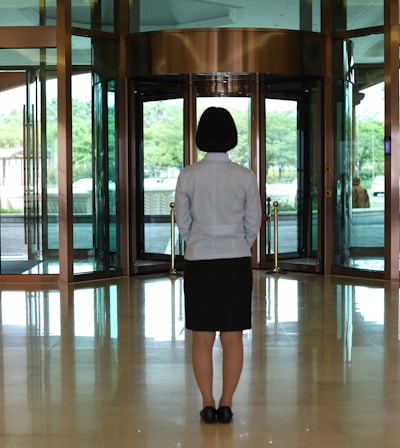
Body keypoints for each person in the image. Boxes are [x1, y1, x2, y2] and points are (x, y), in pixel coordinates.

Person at [174, 107, 262, 424]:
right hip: (235, 260)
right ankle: (226, 404)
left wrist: (196, 240)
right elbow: (253, 223)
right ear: (231, 136)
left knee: (202, 337)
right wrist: (239, 243)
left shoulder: (188, 175)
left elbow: (182, 222)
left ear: (200, 136)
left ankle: (207, 404)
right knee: (232, 336)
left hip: (199, 262)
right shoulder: (244, 176)